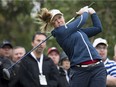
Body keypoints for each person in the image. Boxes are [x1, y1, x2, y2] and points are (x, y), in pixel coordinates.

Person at [37, 6, 106, 87]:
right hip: (81, 72)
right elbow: (81, 21)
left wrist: (93, 13)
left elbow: (98, 28)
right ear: (52, 24)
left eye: (59, 17)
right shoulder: (59, 33)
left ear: (63, 17)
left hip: (98, 68)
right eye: (55, 20)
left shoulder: (77, 31)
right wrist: (84, 11)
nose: (58, 21)